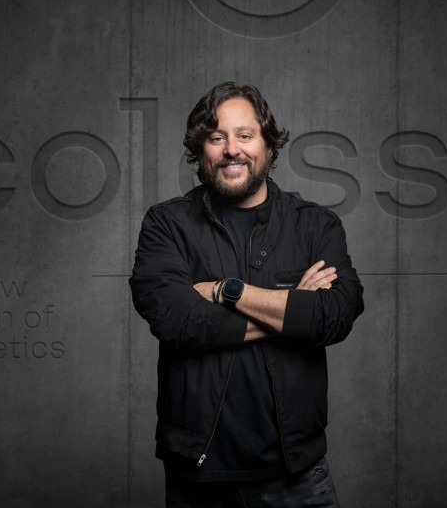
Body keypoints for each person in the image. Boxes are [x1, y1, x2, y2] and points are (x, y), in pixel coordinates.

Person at [129, 81, 364, 507]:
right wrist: (292, 312)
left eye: (244, 135)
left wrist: (227, 291)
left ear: (268, 145)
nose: (231, 150)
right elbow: (179, 322)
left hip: (297, 474)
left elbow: (334, 316)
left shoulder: (315, 226)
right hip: (198, 475)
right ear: (200, 150)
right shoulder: (167, 225)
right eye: (216, 138)